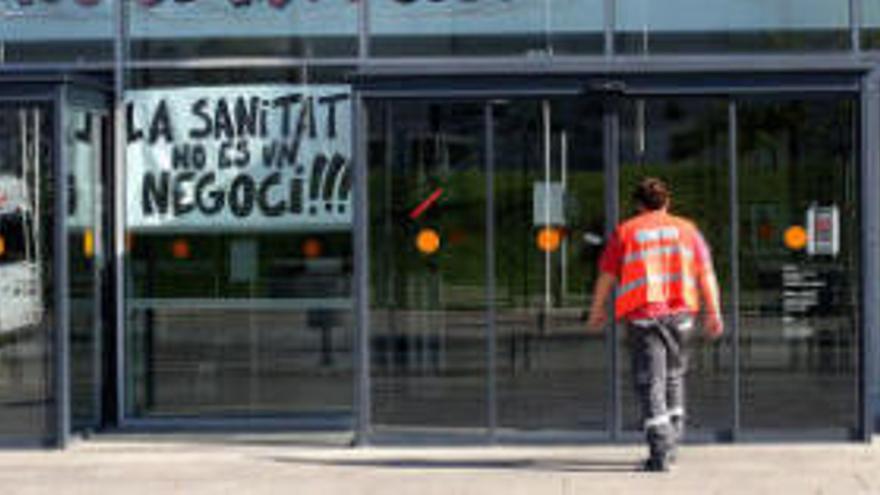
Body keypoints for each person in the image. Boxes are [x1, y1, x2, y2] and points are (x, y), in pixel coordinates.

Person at [587, 177, 723, 472]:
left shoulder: (627, 232)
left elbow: (607, 276)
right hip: (681, 316)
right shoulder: (688, 231)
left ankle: (660, 451)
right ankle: (673, 440)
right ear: (667, 202)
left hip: (644, 317)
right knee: (674, 377)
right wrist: (714, 312)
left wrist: (596, 310)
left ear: (638, 205)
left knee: (651, 381)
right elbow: (706, 275)